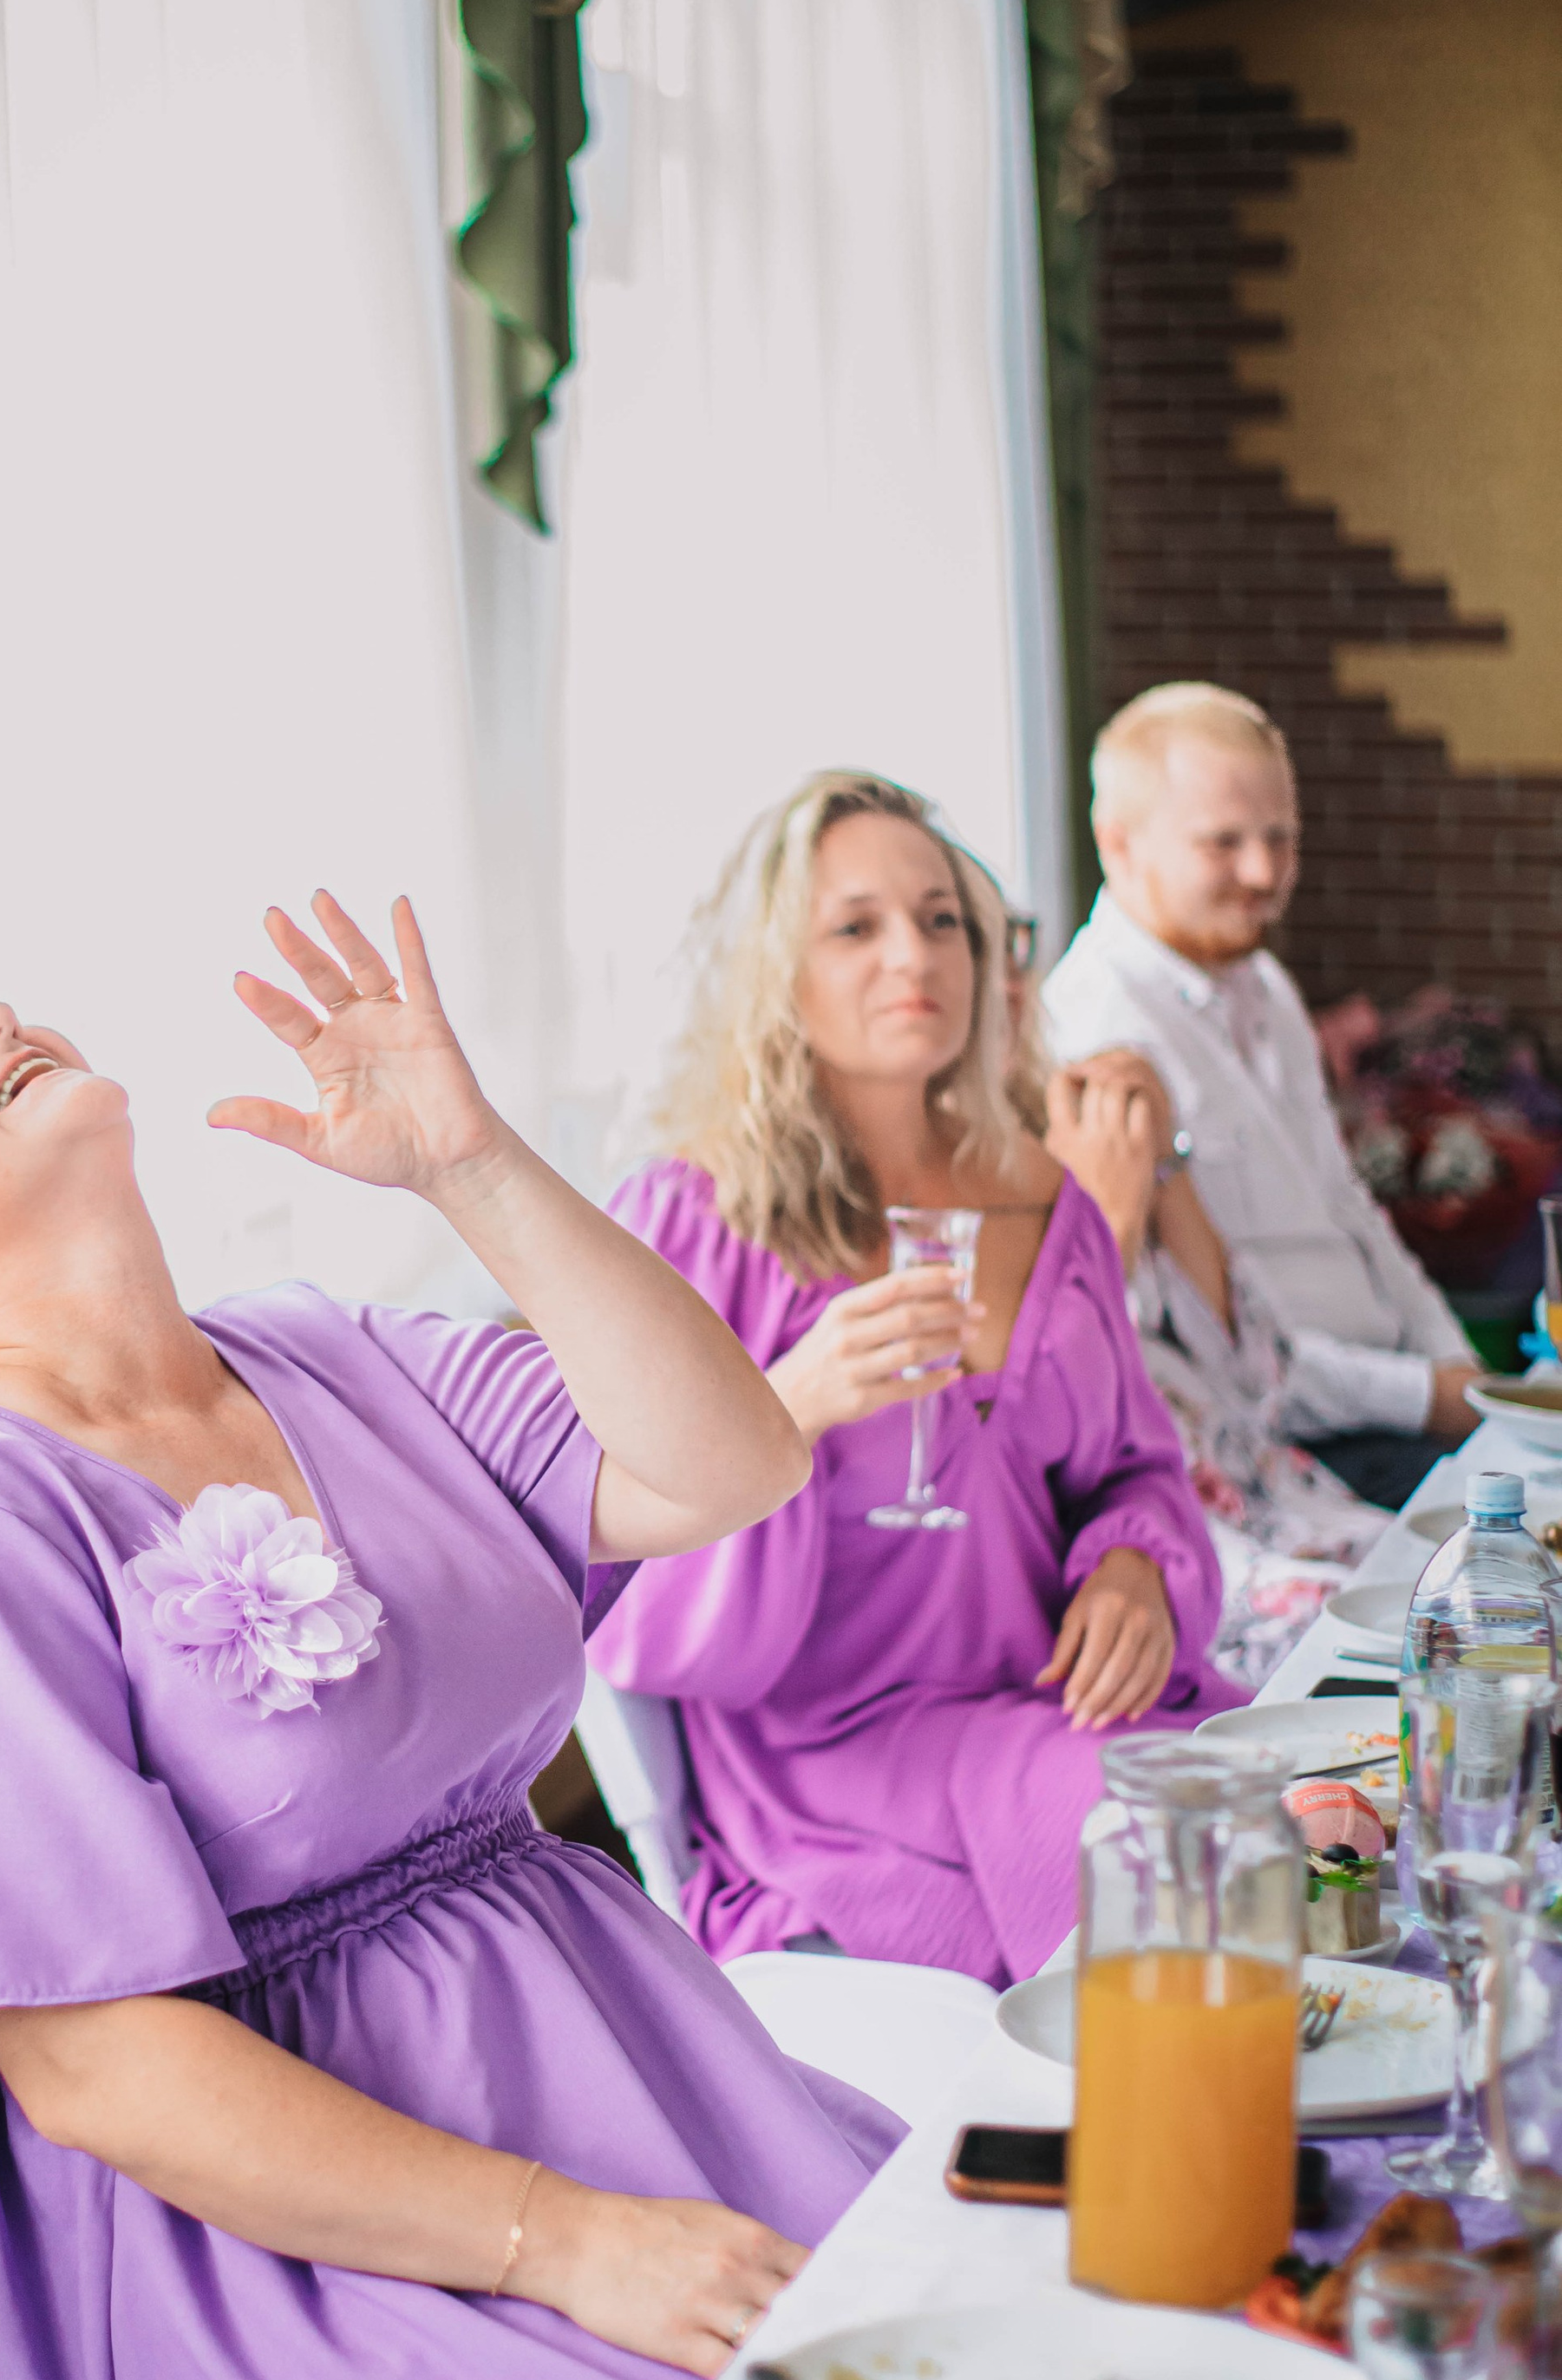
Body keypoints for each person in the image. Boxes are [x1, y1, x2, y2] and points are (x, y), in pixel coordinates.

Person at [0, 893, 903, 2380]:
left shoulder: (333, 1346)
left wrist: (470, 1165)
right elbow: (101, 2070)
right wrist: (564, 2243)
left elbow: (721, 1462)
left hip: (630, 2071)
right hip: (284, 2254)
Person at [591, 772, 1236, 1988]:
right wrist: (788, 1405)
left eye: (943, 918)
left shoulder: (1048, 1201)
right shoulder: (686, 1224)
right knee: (1182, 1858)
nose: (915, 954)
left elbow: (1137, 1468)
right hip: (837, 1749)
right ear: (774, 972)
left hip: (1059, 1697)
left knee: (1306, 1804)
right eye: (857, 926)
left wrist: (1140, 1569)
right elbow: (617, 1583)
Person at [1042, 683, 1480, 1514]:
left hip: (1405, 1407)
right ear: (1118, 844)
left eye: (1281, 838)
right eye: (1225, 842)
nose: (1264, 872)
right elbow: (1200, 1348)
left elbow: (1351, 1210)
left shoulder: (1266, 984)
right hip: (1297, 1444)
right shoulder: (1095, 1040)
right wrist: (1430, 1396)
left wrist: (1464, 1376)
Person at [1045, 1048, 1389, 1690]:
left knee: (1497, 1589)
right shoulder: (996, 1205)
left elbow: (1257, 1375)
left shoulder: (1092, 1123)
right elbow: (1057, 1420)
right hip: (1191, 1558)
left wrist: (1165, 1165)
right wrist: (1112, 1218)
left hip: (1291, 1506)